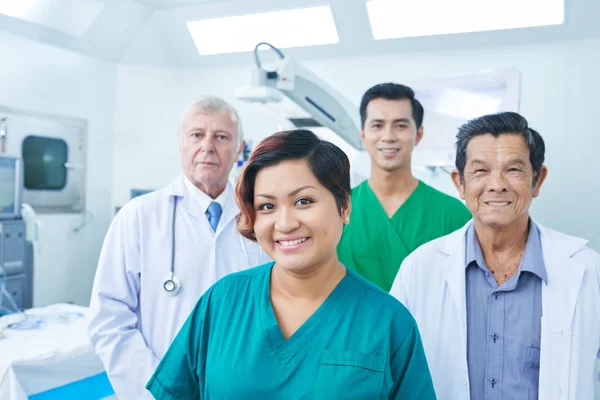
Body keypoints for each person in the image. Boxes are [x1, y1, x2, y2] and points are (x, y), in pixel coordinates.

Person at [146, 129, 437, 399]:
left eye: (303, 201)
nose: (285, 224)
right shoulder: (222, 303)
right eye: (267, 207)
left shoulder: (388, 322)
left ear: (344, 207)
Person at [390, 112, 600, 399]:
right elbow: (390, 370)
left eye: (513, 170)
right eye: (480, 171)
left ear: (537, 181)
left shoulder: (588, 270)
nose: (497, 184)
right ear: (459, 183)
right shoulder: (420, 268)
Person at [88, 97, 270, 399]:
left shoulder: (260, 218)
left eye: (221, 137)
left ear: (239, 149)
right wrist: (158, 390)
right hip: (158, 389)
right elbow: (109, 318)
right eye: (197, 135)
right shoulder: (138, 216)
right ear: (181, 144)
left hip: (244, 387)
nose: (207, 146)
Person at [337, 83, 471, 292]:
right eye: (377, 125)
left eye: (400, 125)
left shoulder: (454, 215)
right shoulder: (337, 210)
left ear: (418, 134)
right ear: (363, 134)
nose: (388, 136)